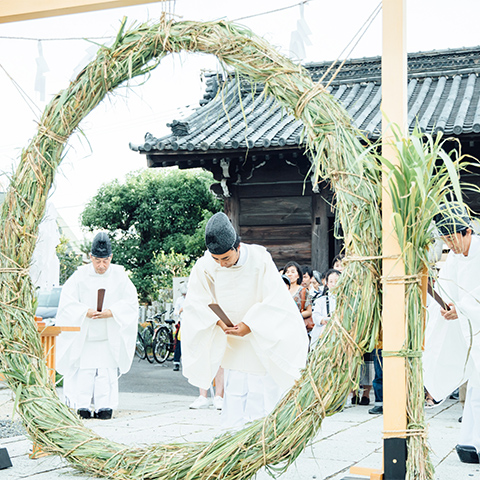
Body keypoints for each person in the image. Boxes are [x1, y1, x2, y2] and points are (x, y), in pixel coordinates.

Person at [181, 212, 308, 429]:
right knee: (235, 389)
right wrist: (218, 322)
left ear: (237, 247)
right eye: (216, 259)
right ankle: (232, 435)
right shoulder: (206, 265)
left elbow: (275, 298)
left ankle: (261, 437)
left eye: (226, 259)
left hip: (259, 334)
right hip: (231, 338)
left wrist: (250, 325)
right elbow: (197, 300)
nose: (221, 264)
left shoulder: (260, 258)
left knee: (260, 389)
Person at [56, 232, 138, 420]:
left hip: (108, 334)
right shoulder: (80, 276)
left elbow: (131, 302)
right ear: (91, 257)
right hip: (86, 334)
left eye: (105, 261)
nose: (101, 266)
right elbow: (67, 302)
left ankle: (105, 406)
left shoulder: (120, 275)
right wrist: (84, 311)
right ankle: (82, 405)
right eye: (97, 261)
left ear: (111, 258)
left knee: (106, 372)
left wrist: (112, 312)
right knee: (85, 371)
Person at [423, 202, 480, 463]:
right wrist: (446, 308)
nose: (450, 245)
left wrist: (463, 308)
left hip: (475, 324)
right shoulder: (455, 258)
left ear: (468, 231)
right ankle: (469, 441)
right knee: (477, 388)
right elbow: (446, 291)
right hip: (470, 331)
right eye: (445, 239)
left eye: (453, 237)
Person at [310, 269, 341, 345]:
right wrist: (322, 320)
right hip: (322, 335)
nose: (334, 284)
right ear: (327, 284)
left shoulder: (346, 301)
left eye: (337, 281)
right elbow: (315, 316)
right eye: (331, 281)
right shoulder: (321, 300)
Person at [284, 261, 313, 332]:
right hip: (283, 324)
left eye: (293, 272)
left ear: (298, 275)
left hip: (298, 325)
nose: (290, 274)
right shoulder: (282, 290)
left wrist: (295, 315)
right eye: (287, 272)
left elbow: (309, 311)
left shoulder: (303, 291)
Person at [172, 282, 187, 372]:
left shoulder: (192, 299)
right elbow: (175, 312)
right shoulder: (179, 300)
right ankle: (176, 362)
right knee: (179, 343)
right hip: (182, 323)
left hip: (190, 324)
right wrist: (180, 311)